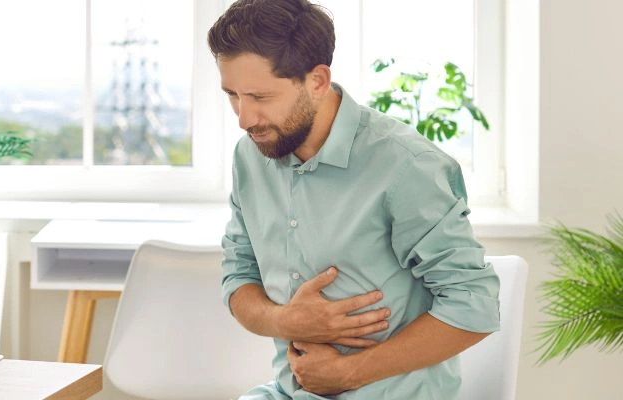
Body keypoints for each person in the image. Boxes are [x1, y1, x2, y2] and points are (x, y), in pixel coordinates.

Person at [210, 0, 501, 398]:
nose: (244, 119)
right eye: (233, 95)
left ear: (317, 80)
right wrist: (285, 320)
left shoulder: (406, 167)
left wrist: (349, 372)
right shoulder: (251, 155)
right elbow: (239, 277)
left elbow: (475, 307)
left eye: (260, 97)